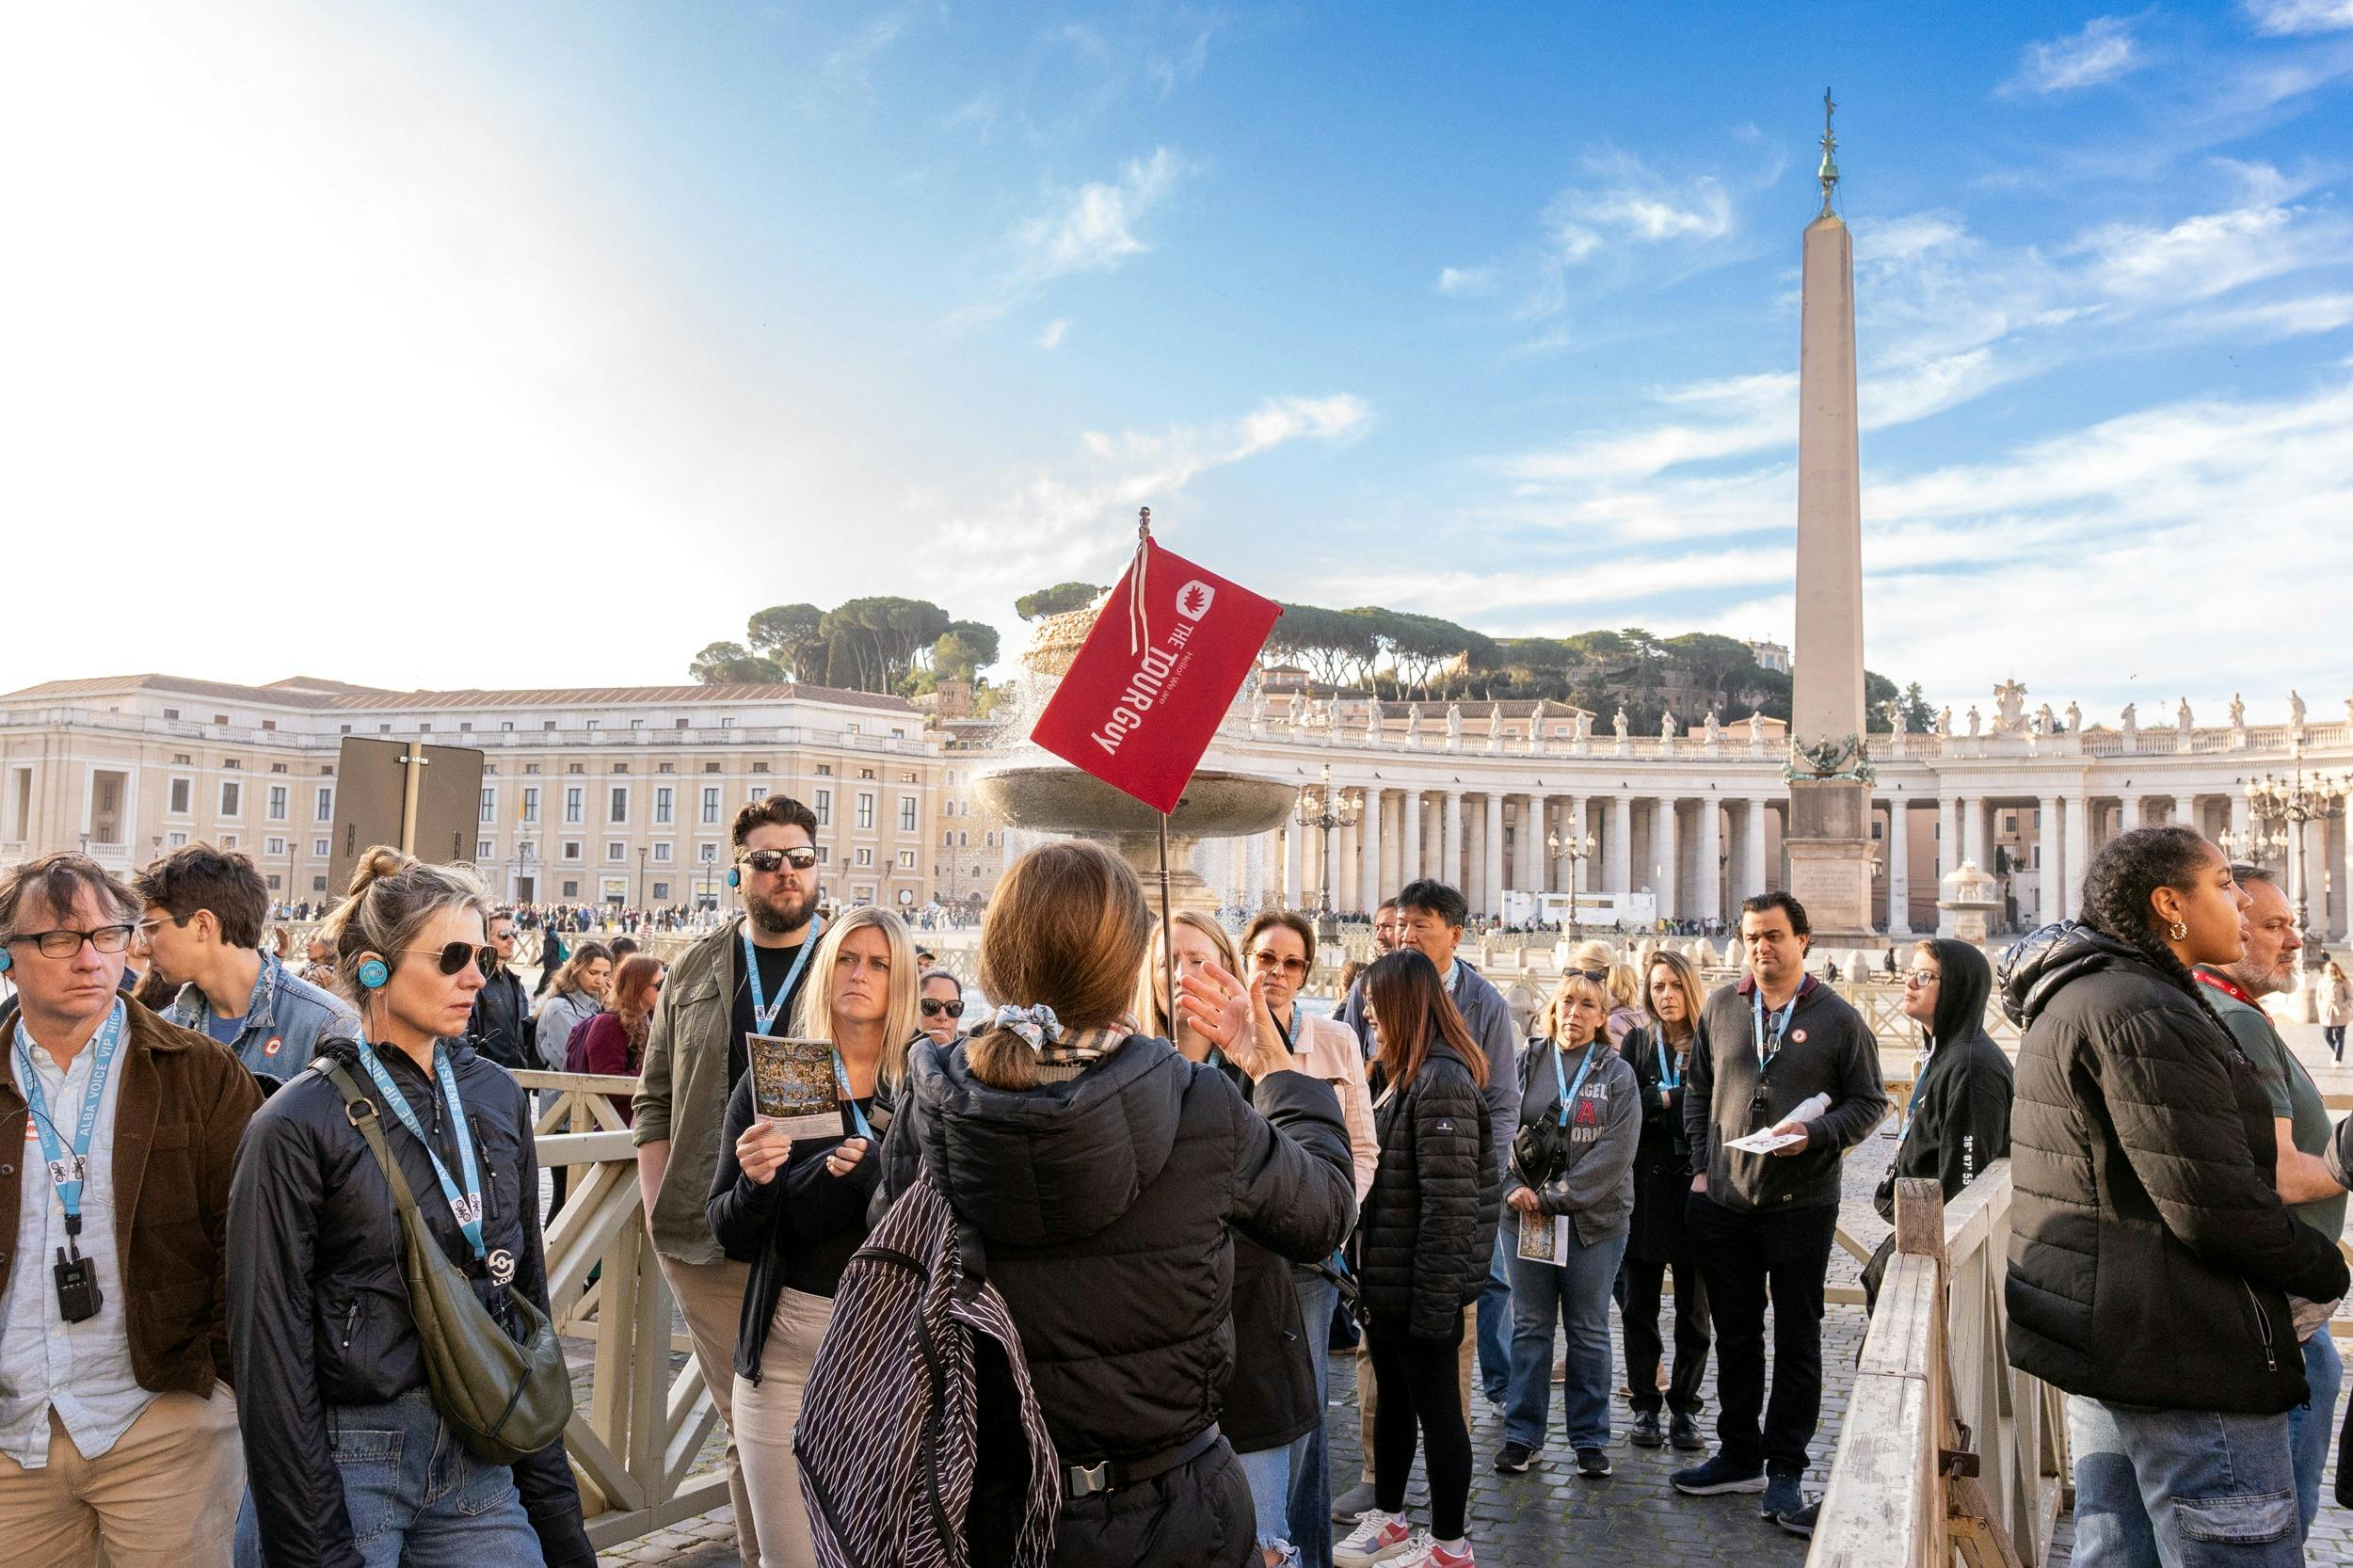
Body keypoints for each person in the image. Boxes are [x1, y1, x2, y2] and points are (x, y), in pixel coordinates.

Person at [868, 840, 1353, 1568]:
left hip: (991, 1510)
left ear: (996, 955)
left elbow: (895, 1260)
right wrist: (1274, 1072)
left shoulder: (932, 1095)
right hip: (1172, 1507)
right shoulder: (1197, 1101)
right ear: (1127, 966)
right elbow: (1324, 1213)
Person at [228, 848, 592, 1568]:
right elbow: (267, 1349)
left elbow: (525, 1298)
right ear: (372, 969)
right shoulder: (295, 1123)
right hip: (348, 1456)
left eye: (483, 954)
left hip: (479, 1453)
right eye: (452, 955)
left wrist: (558, 1517)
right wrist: (313, 1545)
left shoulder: (493, 1094)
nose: (476, 977)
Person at [2004, 826, 2347, 1567]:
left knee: (2118, 1549)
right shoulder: (2147, 1011)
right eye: (2225, 885)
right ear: (2171, 905)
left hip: (2117, 1329)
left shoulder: (2087, 994)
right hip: (2188, 1347)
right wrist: (2326, 1269)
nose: (2242, 904)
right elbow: (2212, 1204)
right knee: (2239, 1551)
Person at [0, 854, 261, 1568]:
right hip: (13, 1432)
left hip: (162, 1421)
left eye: (109, 935)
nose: (89, 958)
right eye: (59, 938)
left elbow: (249, 1242)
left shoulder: (202, 1071)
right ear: (8, 957)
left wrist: (219, 1388)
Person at [632, 795, 829, 1568]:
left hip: (817, 1233)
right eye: (768, 860)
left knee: (802, 1426)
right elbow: (653, 1097)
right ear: (738, 872)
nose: (787, 873)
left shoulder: (849, 958)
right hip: (708, 1241)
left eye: (801, 859)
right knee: (748, 1422)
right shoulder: (694, 966)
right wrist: (656, 1209)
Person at [1674, 892, 1889, 1529]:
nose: (1761, 947)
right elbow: (1698, 1092)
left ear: (1803, 940)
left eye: (1772, 935)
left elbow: (1870, 1102)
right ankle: (1739, 1454)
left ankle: (1787, 1466)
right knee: (1736, 1336)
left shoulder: (1839, 1019)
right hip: (1726, 1201)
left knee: (1797, 1339)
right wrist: (1701, 1169)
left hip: (1802, 1203)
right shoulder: (1722, 1006)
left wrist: (1815, 1137)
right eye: (1751, 937)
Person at [710, 905, 914, 1568]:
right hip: (784, 1351)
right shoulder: (782, 1076)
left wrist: (876, 1181)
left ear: (901, 981)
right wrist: (756, 1184)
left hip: (891, 1354)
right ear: (825, 971)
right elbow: (729, 1233)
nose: (859, 975)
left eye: (878, 964)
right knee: (788, 1559)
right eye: (847, 960)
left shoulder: (923, 1085)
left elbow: (949, 1229)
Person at [1337, 879, 1517, 1502]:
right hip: (1390, 1285)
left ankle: (1447, 1540)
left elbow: (1448, 1208)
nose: (1364, 1015)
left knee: (1440, 1414)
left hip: (1422, 1292)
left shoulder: (1439, 1083)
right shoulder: (1396, 1078)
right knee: (1393, 1409)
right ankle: (1388, 1516)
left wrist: (1434, 1306)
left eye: (1373, 1004)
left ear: (1404, 1008)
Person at [2190, 866, 2345, 1542]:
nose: (2294, 941)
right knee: (2280, 1517)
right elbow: (2282, 1176)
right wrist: (2347, 1160)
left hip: (2258, 1308)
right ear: (2230, 929)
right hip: (2282, 1313)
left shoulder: (2215, 1008)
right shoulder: (2237, 1021)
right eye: (2276, 926)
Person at [1243, 910, 1380, 1568]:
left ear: (1307, 972)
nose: (1276, 971)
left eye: (1291, 962)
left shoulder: (1335, 1039)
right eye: (1266, 957)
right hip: (1238, 1254)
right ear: (1246, 960)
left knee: (1307, 1411)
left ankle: (1308, 1550)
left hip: (1308, 1252)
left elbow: (1360, 1147)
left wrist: (1332, 1213)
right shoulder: (1221, 1037)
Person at [1494, 969, 1639, 1481]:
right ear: (1553, 1008)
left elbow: (1615, 1154)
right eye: (1567, 1001)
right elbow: (1498, 1124)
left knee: (1588, 1329)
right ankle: (1522, 1435)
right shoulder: (1525, 1061)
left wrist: (1555, 1196)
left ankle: (1590, 1439)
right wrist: (1509, 1184)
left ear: (1602, 1018)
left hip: (1592, 1222)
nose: (1574, 1012)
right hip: (1525, 1216)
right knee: (1530, 1326)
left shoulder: (1617, 1075)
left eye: (1587, 1005)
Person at [1862, 941, 2012, 1313]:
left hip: (1938, 1267)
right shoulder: (1946, 1053)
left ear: (1958, 988)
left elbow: (1964, 1184)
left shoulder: (1972, 1069)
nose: (1909, 983)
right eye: (1909, 972)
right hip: (1918, 1237)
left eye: (1925, 976)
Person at [134, 843, 358, 1084]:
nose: (141, 948)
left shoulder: (326, 1025)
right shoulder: (167, 1028)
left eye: (152, 928)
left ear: (203, 925)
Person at [1621, 950, 1712, 1455]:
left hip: (1697, 1190)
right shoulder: (1638, 1040)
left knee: (1694, 1312)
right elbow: (1629, 1102)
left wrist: (1661, 1099)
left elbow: (1716, 1106)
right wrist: (1672, 1099)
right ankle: (1644, 1407)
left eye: (1675, 986)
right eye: (1658, 987)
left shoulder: (1708, 1042)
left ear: (1690, 988)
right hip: (1646, 1193)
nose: (1667, 996)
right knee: (1639, 1307)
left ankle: (1685, 1407)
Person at [576, 954, 664, 1126]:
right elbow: (607, 1081)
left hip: (643, 1119)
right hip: (614, 1123)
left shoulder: (654, 1019)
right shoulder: (608, 1023)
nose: (666, 989)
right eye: (659, 985)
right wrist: (656, 1074)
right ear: (637, 986)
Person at [466, 908, 535, 1071]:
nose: (511, 940)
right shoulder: (476, 982)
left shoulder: (515, 983)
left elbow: (520, 1033)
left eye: (514, 933)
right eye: (504, 935)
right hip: (486, 1077)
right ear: (485, 939)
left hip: (518, 1077)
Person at [534, 941, 611, 1072]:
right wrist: (607, 1014)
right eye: (593, 972)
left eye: (605, 975)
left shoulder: (595, 1003)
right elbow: (575, 1062)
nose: (600, 981)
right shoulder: (560, 1008)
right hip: (563, 1089)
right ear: (575, 967)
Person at [917, 968, 966, 1048]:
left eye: (953, 1007)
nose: (943, 1017)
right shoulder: (893, 1054)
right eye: (931, 1005)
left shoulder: (973, 1057)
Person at [2324, 957, 2351, 1063]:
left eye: (2333, 970)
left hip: (2341, 1012)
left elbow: (2350, 997)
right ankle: (2337, 1051)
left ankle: (2337, 1059)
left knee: (2340, 1036)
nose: (2332, 972)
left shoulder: (2344, 981)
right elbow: (2319, 996)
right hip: (2327, 1012)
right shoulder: (2323, 981)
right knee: (2327, 1035)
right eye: (2330, 970)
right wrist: (2321, 1006)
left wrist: (2344, 1005)